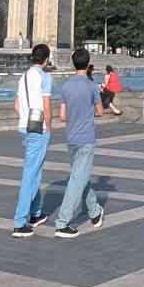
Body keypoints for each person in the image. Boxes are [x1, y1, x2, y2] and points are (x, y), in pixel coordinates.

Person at [52, 49, 105, 236]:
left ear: (73, 63)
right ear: (88, 63)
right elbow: (100, 112)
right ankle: (62, 222)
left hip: (71, 138)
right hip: (86, 138)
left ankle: (95, 211)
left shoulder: (66, 86)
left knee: (79, 175)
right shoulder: (91, 86)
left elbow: (62, 116)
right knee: (77, 179)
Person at [10, 43, 54, 237]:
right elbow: (46, 104)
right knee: (30, 174)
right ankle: (19, 222)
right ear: (46, 59)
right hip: (39, 129)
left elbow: (17, 105)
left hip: (24, 127)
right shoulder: (45, 77)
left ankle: (36, 214)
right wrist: (49, 127)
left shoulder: (24, 76)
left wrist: (25, 118)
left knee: (35, 172)